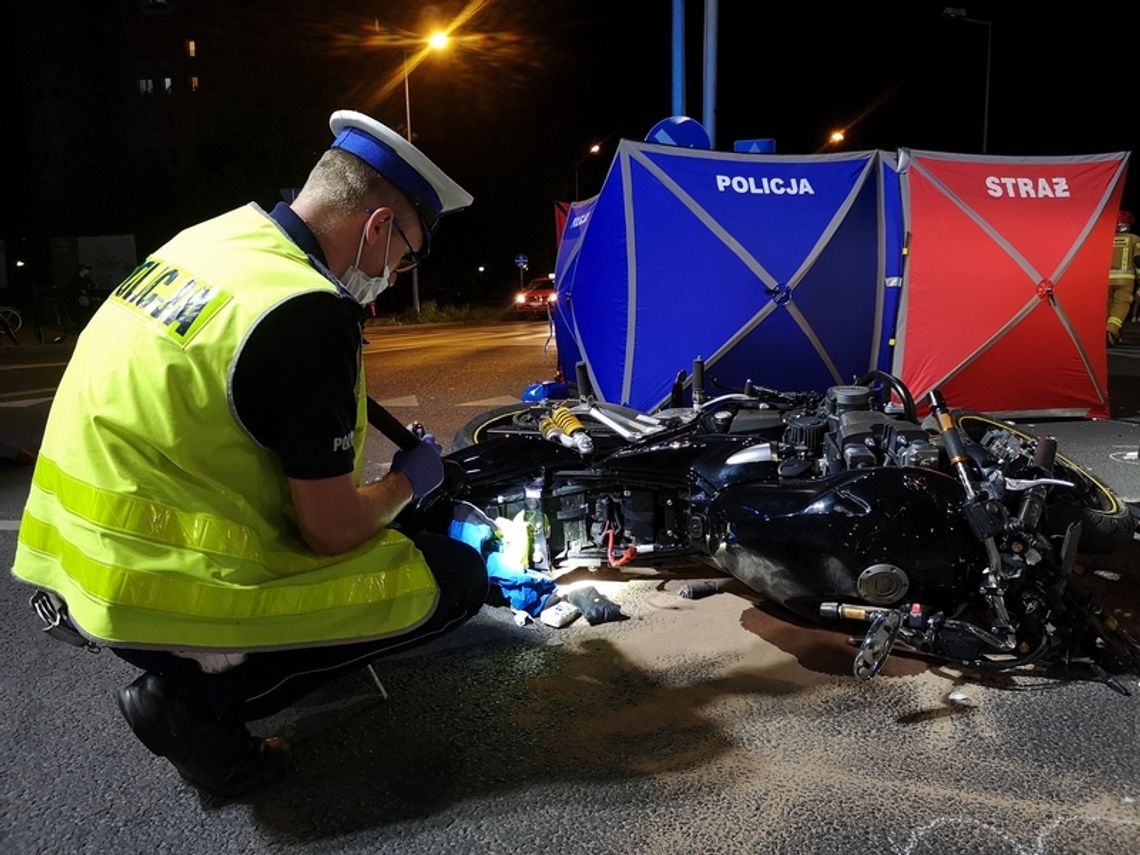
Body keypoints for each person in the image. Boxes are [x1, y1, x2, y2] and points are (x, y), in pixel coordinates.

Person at [9, 110, 487, 797]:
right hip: (162, 586)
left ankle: (205, 668)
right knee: (453, 575)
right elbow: (330, 530)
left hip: (75, 562)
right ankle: (195, 703)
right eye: (405, 255)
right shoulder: (308, 309)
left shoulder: (210, 242)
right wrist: (407, 483)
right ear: (378, 227)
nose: (395, 273)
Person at [1107, 209, 1140, 346]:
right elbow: (1138, 260)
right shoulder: (1134, 239)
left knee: (1108, 308)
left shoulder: (1105, 238)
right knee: (1120, 307)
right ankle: (1110, 331)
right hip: (1125, 280)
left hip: (1105, 280)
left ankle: (1114, 335)